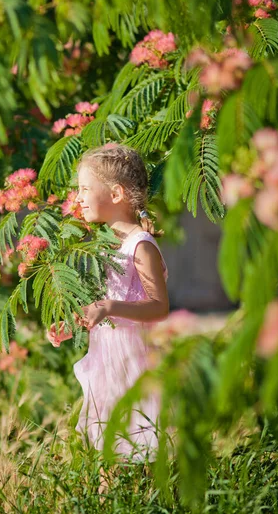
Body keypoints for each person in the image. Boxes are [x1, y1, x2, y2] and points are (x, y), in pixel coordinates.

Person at [46, 143, 169, 466]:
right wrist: (74, 323)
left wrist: (110, 307)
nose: (79, 198)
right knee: (107, 452)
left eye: (85, 189)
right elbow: (104, 304)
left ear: (115, 194)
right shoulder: (105, 245)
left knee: (142, 449)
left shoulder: (140, 246)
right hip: (108, 359)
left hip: (135, 361)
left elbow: (158, 306)